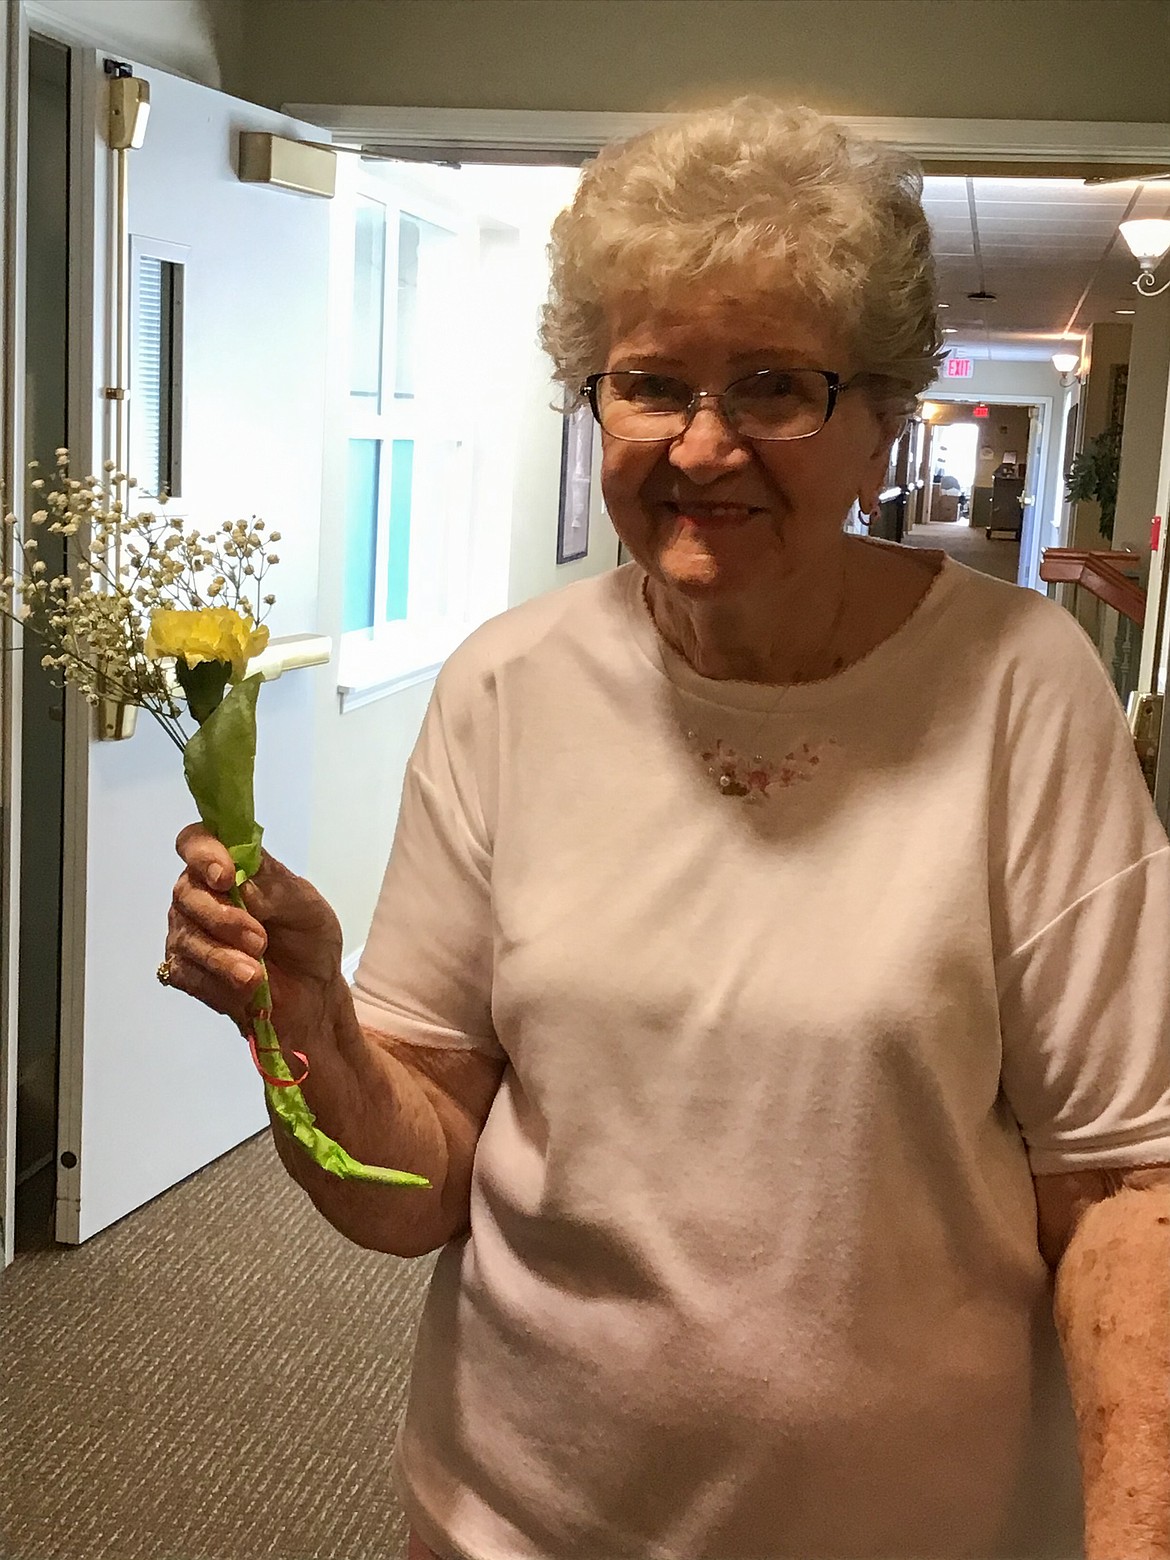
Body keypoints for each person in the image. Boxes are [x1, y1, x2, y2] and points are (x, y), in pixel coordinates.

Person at [164, 101, 1170, 1560]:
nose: (702, 448)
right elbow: (417, 1187)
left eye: (773, 386)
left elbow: (1120, 1186)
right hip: (515, 1513)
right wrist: (303, 1023)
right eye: (649, 385)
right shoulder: (509, 685)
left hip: (913, 1525)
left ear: (883, 415)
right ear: (594, 402)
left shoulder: (1020, 685)